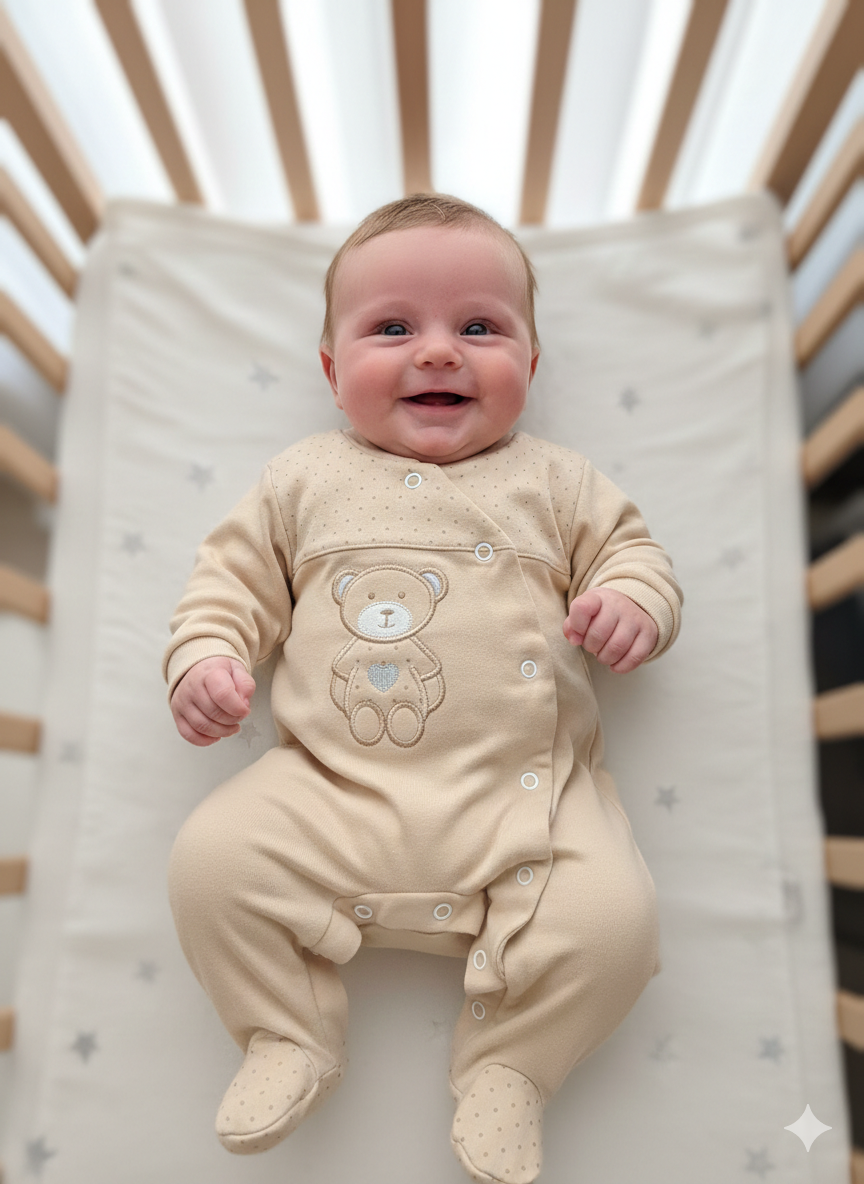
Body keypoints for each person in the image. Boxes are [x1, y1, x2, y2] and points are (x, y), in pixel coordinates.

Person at [164, 193, 682, 1184]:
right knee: (209, 862)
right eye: (393, 327)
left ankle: (514, 1065)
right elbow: (225, 585)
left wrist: (630, 601)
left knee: (616, 920)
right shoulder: (302, 479)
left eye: (480, 327)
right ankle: (286, 1030)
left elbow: (635, 552)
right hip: (329, 789)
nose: (439, 351)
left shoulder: (557, 481)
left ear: (528, 364)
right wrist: (206, 660)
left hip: (530, 804)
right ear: (330, 370)